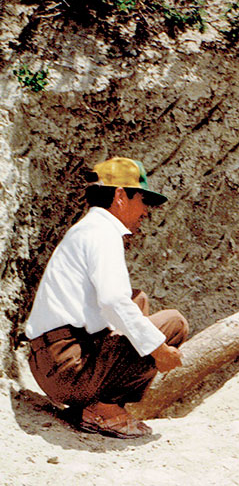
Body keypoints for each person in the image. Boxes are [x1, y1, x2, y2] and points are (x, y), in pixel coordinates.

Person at [24, 157, 189, 439]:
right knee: (174, 324)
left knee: (138, 300)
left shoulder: (87, 229)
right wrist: (159, 350)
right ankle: (103, 410)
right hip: (66, 366)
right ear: (121, 196)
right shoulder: (103, 233)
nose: (146, 212)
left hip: (50, 363)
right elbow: (113, 301)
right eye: (142, 200)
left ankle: (90, 405)